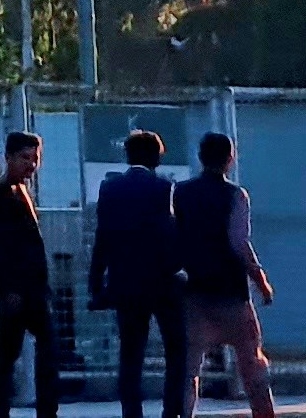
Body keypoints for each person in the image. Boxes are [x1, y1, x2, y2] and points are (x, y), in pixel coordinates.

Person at [172, 132, 276, 418]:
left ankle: (184, 414)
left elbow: (176, 237)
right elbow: (238, 241)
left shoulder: (180, 193)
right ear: (230, 158)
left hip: (195, 291)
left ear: (200, 157)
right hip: (232, 292)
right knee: (252, 362)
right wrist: (261, 281)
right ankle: (264, 415)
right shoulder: (235, 195)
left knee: (190, 368)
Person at [88, 131, 187, 418]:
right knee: (175, 350)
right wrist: (177, 267)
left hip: (125, 281)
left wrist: (97, 282)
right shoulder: (164, 187)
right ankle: (172, 411)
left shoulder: (110, 189)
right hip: (162, 281)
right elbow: (169, 233)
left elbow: (102, 237)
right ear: (154, 156)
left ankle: (132, 413)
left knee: (131, 354)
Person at [0, 132, 57, 418]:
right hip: (20, 290)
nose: (31, 164)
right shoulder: (3, 192)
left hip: (32, 288)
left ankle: (35, 410)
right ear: (9, 158)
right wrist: (7, 289)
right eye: (25, 158)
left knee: (34, 353)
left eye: (35, 158)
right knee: (12, 357)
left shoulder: (19, 189)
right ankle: (7, 410)